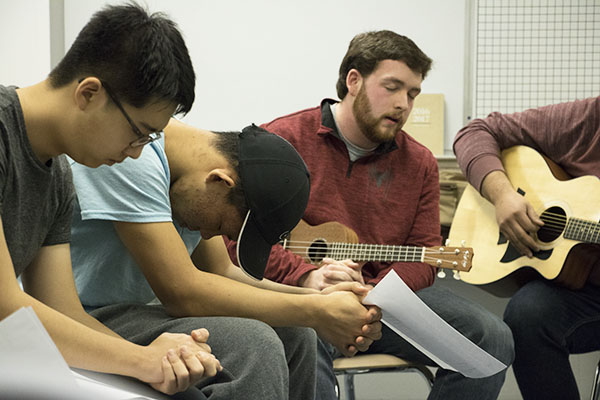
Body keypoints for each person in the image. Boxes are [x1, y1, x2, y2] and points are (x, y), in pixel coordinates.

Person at [225, 30, 515, 400]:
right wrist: (308, 277)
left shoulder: (421, 162)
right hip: (301, 298)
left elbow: (425, 254)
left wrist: (375, 292)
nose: (403, 104)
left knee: (491, 338)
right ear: (354, 81)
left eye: (412, 94)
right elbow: (237, 238)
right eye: (392, 87)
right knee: (301, 339)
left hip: (382, 302)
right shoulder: (282, 139)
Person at [69, 119, 383, 400]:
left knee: (298, 335)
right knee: (254, 346)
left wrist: (319, 299)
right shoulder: (134, 158)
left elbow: (221, 271)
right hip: (86, 315)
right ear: (221, 181)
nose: (206, 236)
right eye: (219, 226)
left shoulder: (192, 172)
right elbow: (183, 294)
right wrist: (318, 311)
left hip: (139, 312)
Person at [0, 2, 220, 396]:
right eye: (139, 133)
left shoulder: (58, 175)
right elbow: (5, 306)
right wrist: (141, 360)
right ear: (89, 93)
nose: (135, 152)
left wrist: (158, 358)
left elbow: (64, 309)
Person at [454, 96, 600, 399]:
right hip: (584, 288)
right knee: (526, 315)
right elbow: (475, 132)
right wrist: (503, 194)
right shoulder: (586, 120)